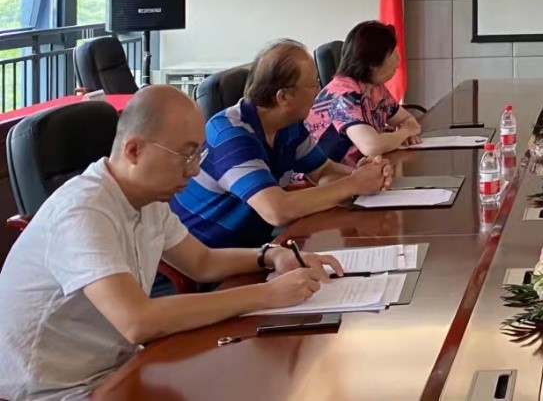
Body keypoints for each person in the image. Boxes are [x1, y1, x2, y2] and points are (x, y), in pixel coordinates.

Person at [0, 86, 337, 400]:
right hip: (52, 390)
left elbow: (202, 263)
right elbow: (138, 321)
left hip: (115, 369)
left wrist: (271, 255)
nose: (194, 171)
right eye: (186, 156)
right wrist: (267, 294)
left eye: (198, 155)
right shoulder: (82, 211)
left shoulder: (147, 199)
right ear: (134, 150)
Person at [172, 40, 394, 249]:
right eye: (314, 84)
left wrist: (369, 174)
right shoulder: (230, 135)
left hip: (256, 246)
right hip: (207, 257)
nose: (320, 91)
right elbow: (276, 210)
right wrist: (353, 184)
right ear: (283, 97)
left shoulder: (289, 125)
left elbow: (323, 170)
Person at [305, 20, 423, 163]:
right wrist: (405, 133)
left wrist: (406, 131)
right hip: (321, 175)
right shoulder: (343, 95)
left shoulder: (375, 88)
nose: (398, 60)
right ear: (372, 63)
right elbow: (371, 146)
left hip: (354, 171)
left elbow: (407, 120)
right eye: (392, 52)